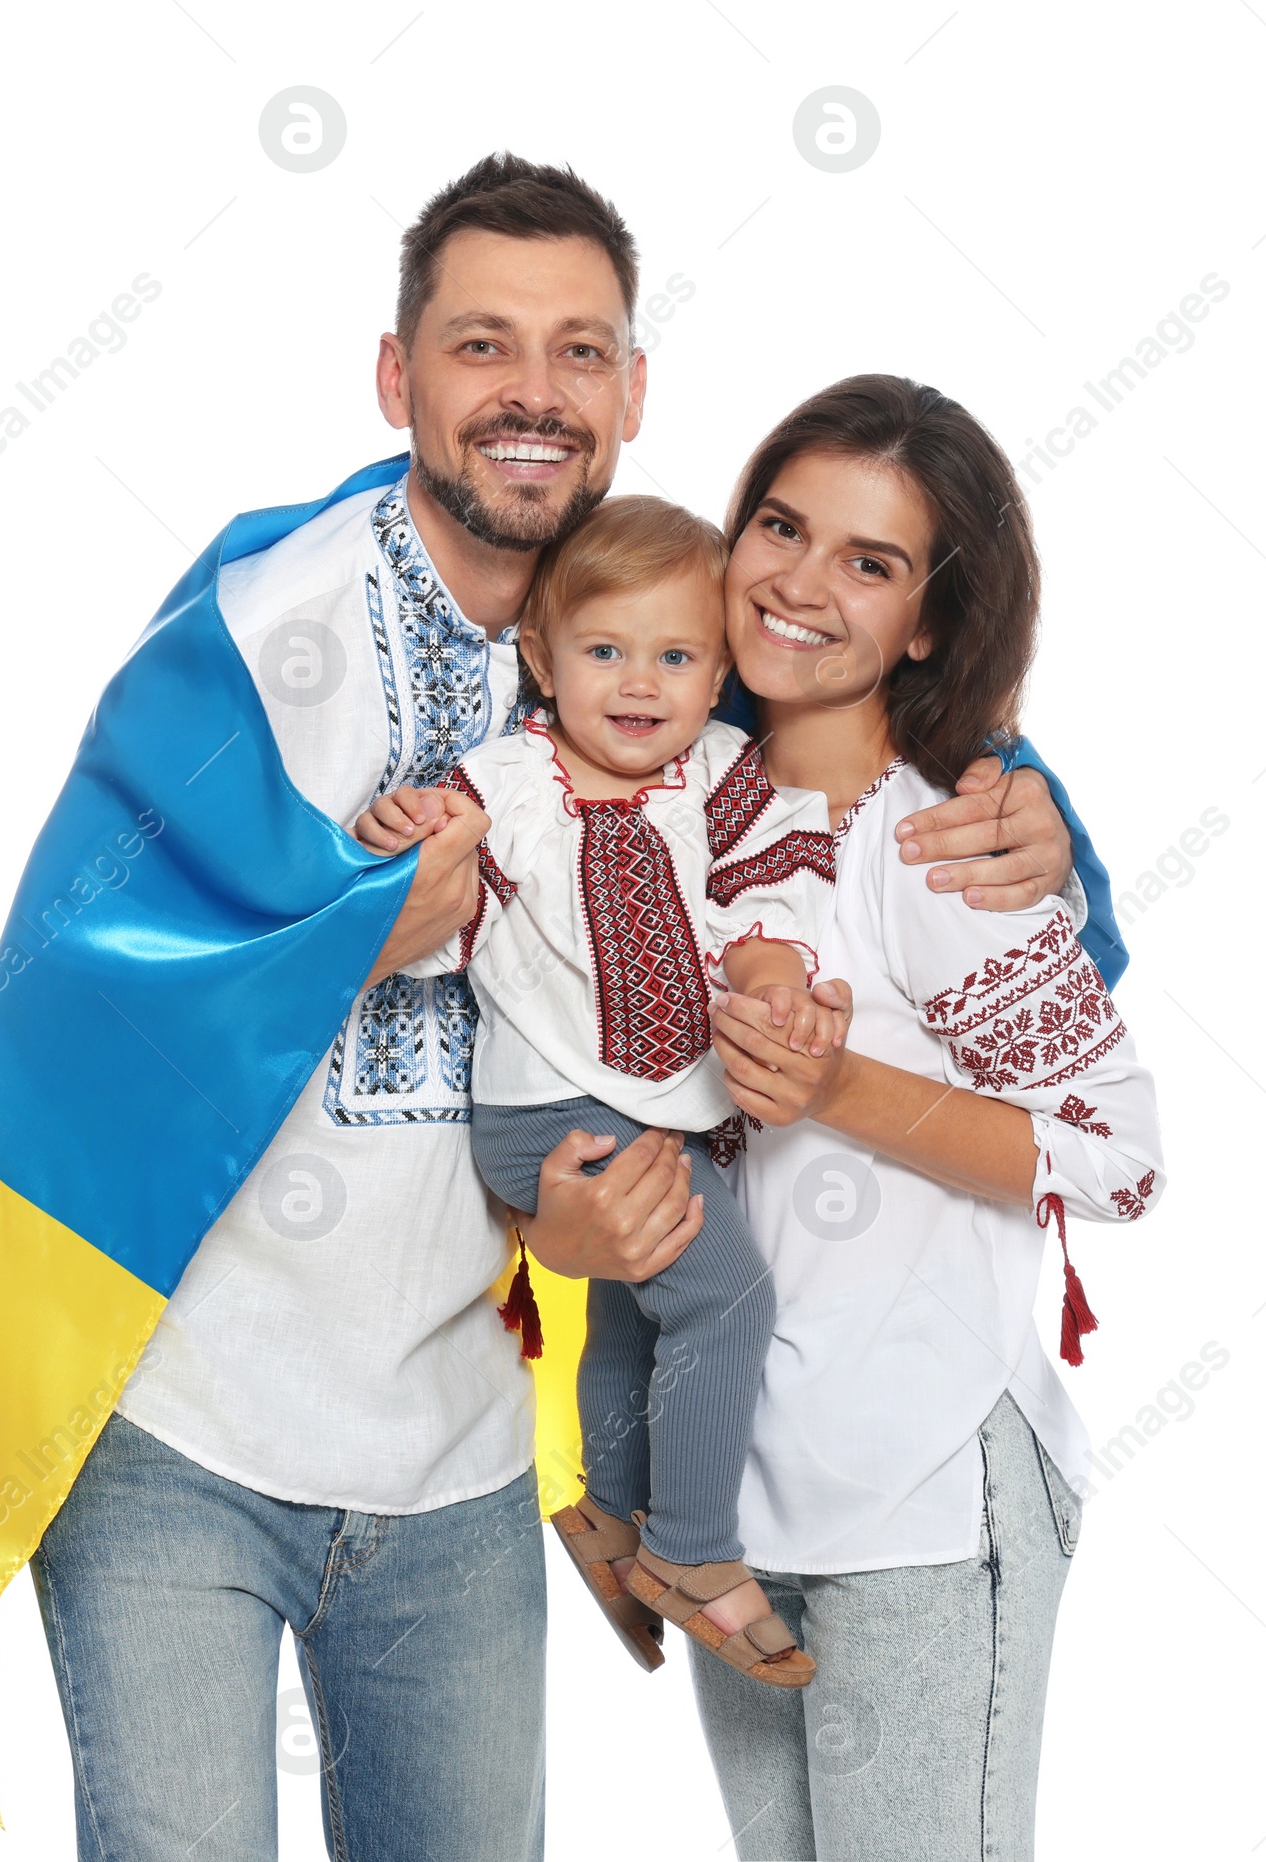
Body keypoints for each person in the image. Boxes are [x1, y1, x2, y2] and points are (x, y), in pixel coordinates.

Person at [25, 158, 1096, 1862]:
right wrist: (358, 933)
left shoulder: (663, 625)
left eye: (581, 351)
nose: (534, 393)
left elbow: (886, 736)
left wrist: (1029, 804)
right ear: (399, 378)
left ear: (633, 391)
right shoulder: (256, 626)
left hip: (452, 1466)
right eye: (482, 346)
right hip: (182, 1430)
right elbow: (86, 972)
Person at [684, 375, 1165, 1860]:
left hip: (926, 1499)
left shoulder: (954, 843)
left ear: (931, 627)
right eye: (781, 524)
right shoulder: (668, 811)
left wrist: (834, 1087)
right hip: (740, 1511)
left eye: (870, 563)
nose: (800, 583)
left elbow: (1116, 1149)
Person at [356, 496, 836, 1688]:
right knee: (725, 1294)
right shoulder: (502, 785)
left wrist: (770, 969)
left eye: (674, 656)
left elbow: (772, 881)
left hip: (673, 1098)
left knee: (641, 1305)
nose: (638, 682)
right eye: (604, 650)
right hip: (546, 1109)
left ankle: (610, 1511)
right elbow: (421, 925)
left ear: (718, 667)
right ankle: (695, 1552)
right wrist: (396, 835)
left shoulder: (723, 772)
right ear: (541, 656)